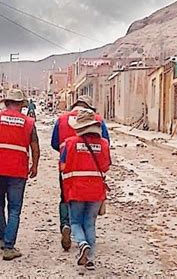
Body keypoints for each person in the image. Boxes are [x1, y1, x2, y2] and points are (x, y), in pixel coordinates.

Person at [0, 89, 40, 261]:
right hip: (18, 171)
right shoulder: (29, 122)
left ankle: (3, 239)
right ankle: (9, 246)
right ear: (20, 105)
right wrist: (35, 165)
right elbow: (35, 147)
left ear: (6, 103)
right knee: (14, 208)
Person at [50, 95, 110, 251]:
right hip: (93, 170)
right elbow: (106, 146)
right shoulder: (99, 120)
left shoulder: (62, 119)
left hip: (68, 168)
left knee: (66, 197)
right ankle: (86, 238)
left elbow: (54, 143)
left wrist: (72, 153)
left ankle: (66, 225)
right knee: (90, 203)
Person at [59, 110, 111, 270]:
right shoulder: (104, 144)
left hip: (76, 190)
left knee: (75, 221)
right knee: (90, 223)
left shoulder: (69, 143)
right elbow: (106, 166)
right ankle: (90, 259)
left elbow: (63, 166)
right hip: (96, 190)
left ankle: (82, 244)